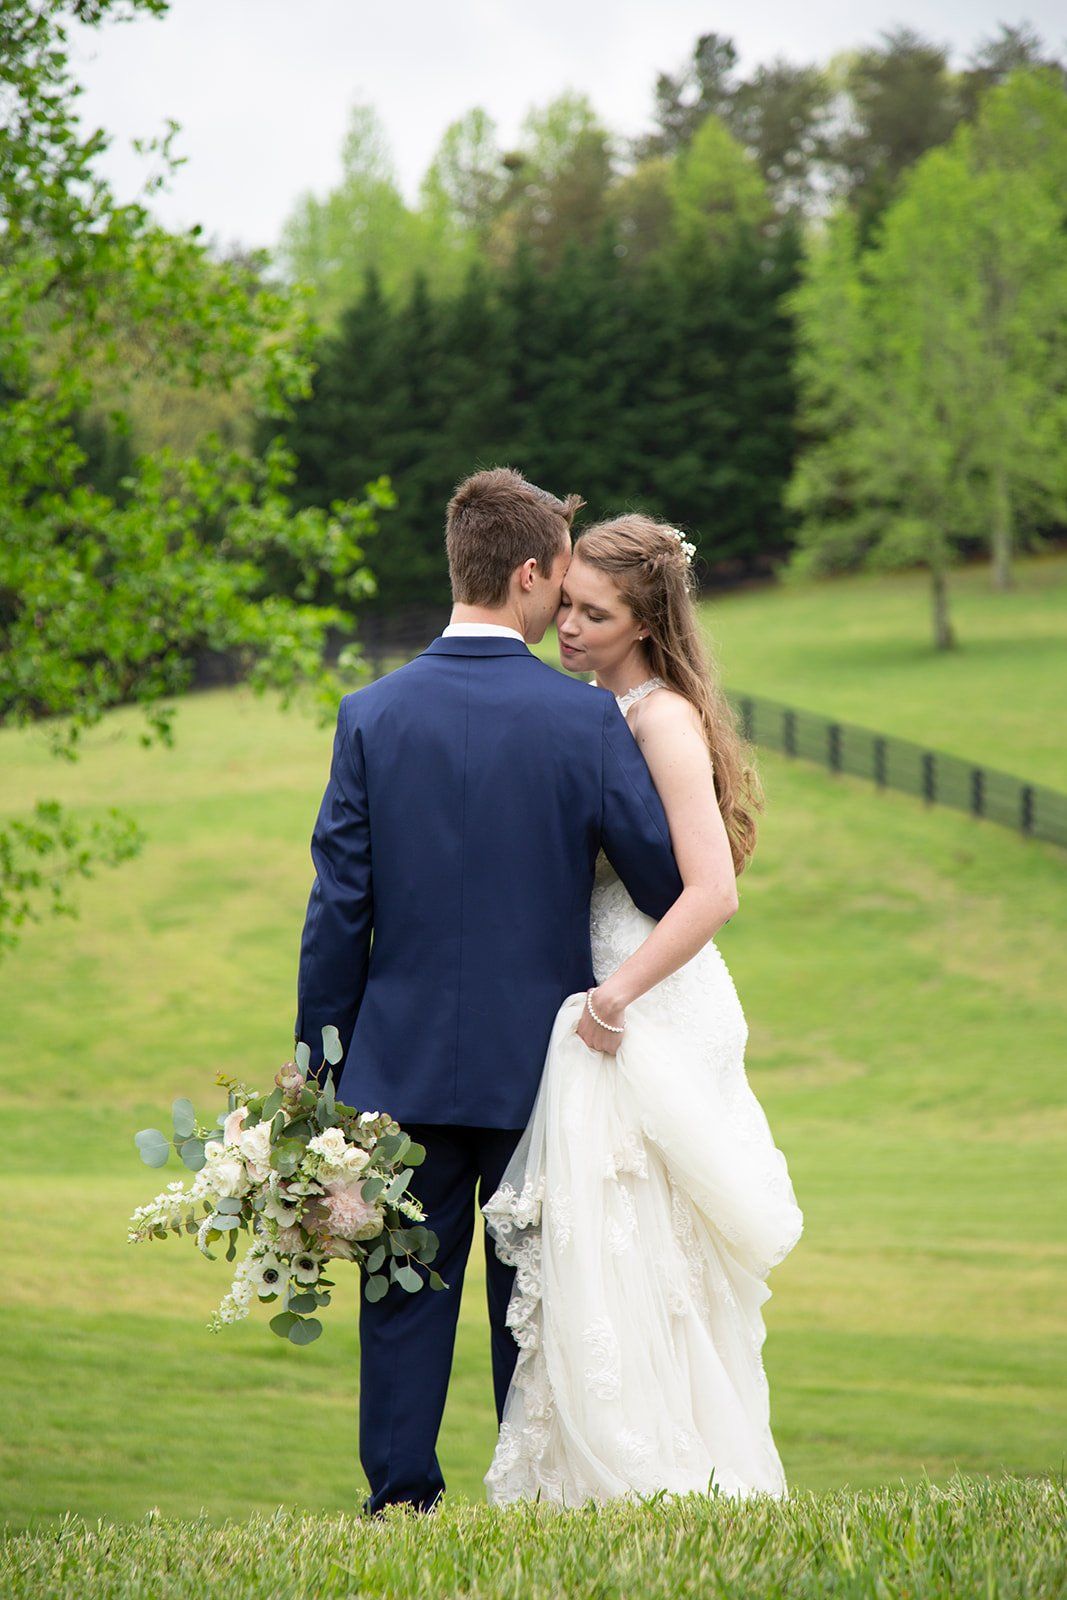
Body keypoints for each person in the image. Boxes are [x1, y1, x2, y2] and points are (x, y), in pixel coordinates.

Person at [293, 469, 684, 1515]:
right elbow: (660, 882)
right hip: (538, 1073)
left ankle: (400, 1505)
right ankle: (531, 1500)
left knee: (403, 1297)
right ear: (525, 571)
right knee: (537, 1301)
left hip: (398, 1069)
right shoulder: (584, 724)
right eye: (560, 578)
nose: (565, 603)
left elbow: (338, 912)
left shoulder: (369, 715)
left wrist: (313, 1080)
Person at [481, 512, 804, 1507]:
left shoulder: (657, 718)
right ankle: (585, 1469)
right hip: (610, 1001)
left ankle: (666, 1469)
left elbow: (710, 890)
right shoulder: (588, 710)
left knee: (647, 1246)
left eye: (593, 614)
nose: (567, 626)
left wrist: (614, 994)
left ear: (645, 623)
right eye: (565, 604)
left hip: (647, 1001)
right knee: (603, 1243)